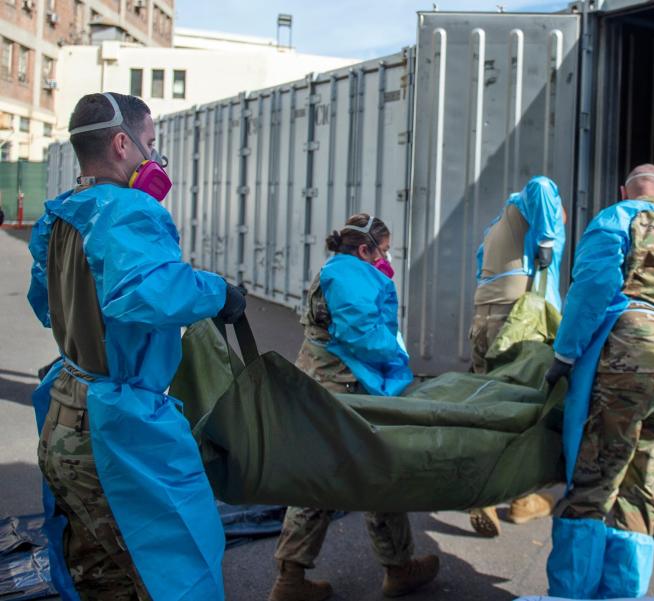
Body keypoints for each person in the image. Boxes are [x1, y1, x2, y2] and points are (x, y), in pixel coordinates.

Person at [27, 92, 247, 600]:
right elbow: (144, 291)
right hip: (115, 432)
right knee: (174, 571)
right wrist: (218, 293)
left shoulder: (62, 215)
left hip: (65, 414)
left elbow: (46, 307)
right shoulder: (128, 210)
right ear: (122, 144)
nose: (155, 160)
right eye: (150, 145)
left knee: (101, 577)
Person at [543, 164, 654, 599]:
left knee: (594, 480)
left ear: (624, 190)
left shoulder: (617, 217)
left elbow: (593, 285)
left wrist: (565, 354)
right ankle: (623, 594)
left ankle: (571, 594)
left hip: (629, 358)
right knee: (644, 486)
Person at [268, 213, 440, 601]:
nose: (387, 257)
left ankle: (297, 578)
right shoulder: (349, 276)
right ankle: (393, 568)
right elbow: (362, 335)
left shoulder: (337, 270)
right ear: (365, 249)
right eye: (383, 249)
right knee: (369, 474)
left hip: (323, 385)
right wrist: (397, 354)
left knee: (335, 478)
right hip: (344, 391)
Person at [467, 175, 566, 537]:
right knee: (522, 408)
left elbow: (480, 265)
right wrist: (547, 242)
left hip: (485, 318)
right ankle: (491, 492)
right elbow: (542, 185)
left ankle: (523, 497)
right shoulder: (529, 203)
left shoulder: (497, 228)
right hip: (516, 322)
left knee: (487, 404)